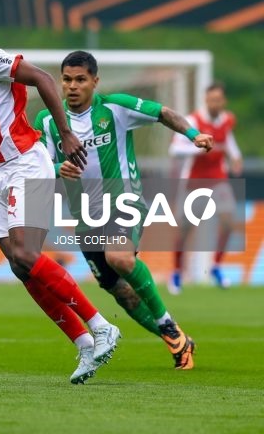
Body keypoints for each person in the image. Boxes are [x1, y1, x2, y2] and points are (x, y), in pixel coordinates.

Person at [0, 0, 121, 385]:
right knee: (19, 266)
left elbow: (44, 79)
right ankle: (82, 342)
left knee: (28, 255)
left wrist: (65, 133)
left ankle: (101, 326)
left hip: (25, 165)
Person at [34, 50, 213, 370]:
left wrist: (193, 134)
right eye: (66, 80)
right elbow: (38, 164)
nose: (72, 86)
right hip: (84, 217)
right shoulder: (47, 121)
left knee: (120, 257)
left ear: (95, 82)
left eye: (80, 80)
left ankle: (169, 327)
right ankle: (178, 341)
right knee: (121, 293)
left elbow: (163, 112)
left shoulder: (115, 107)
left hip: (123, 202)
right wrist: (59, 166)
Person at [169, 83, 242, 294]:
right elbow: (174, 149)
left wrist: (234, 156)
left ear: (223, 101)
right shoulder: (194, 121)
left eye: (218, 100)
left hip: (218, 179)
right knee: (185, 229)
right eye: (211, 100)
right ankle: (176, 272)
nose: (214, 103)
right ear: (205, 100)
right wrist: (198, 149)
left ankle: (216, 267)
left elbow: (227, 139)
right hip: (194, 182)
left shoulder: (227, 120)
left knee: (229, 221)